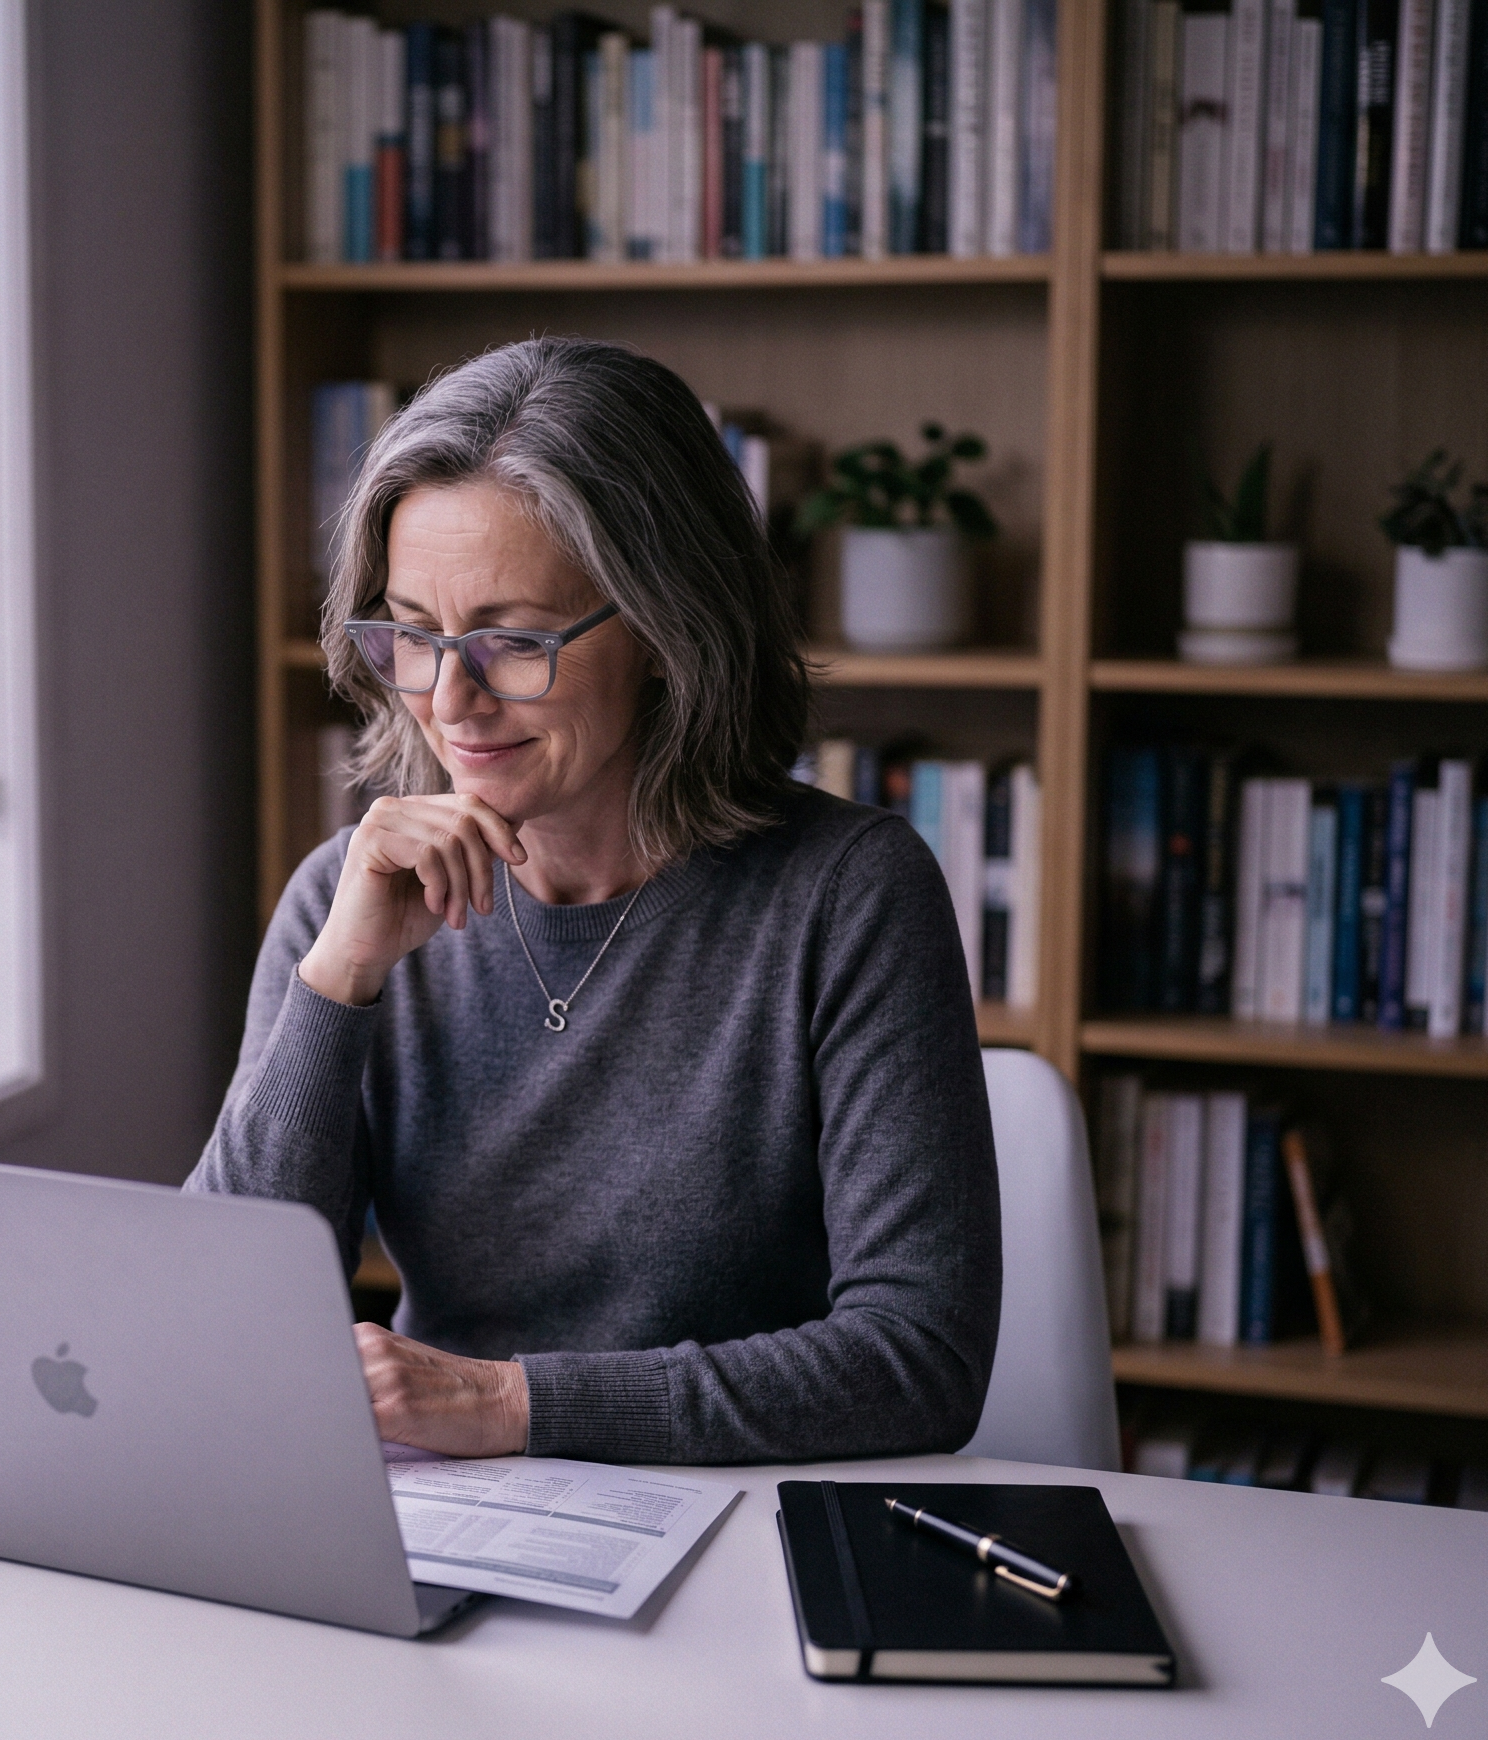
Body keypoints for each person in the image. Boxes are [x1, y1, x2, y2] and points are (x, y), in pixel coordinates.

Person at [189, 338, 999, 1465]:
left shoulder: (849, 895)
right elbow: (212, 1327)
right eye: (413, 635)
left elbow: (919, 1359)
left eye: (514, 640)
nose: (450, 699)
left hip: (747, 1523)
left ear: (669, 630)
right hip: (452, 1527)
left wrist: (510, 1404)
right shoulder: (348, 896)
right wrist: (338, 983)